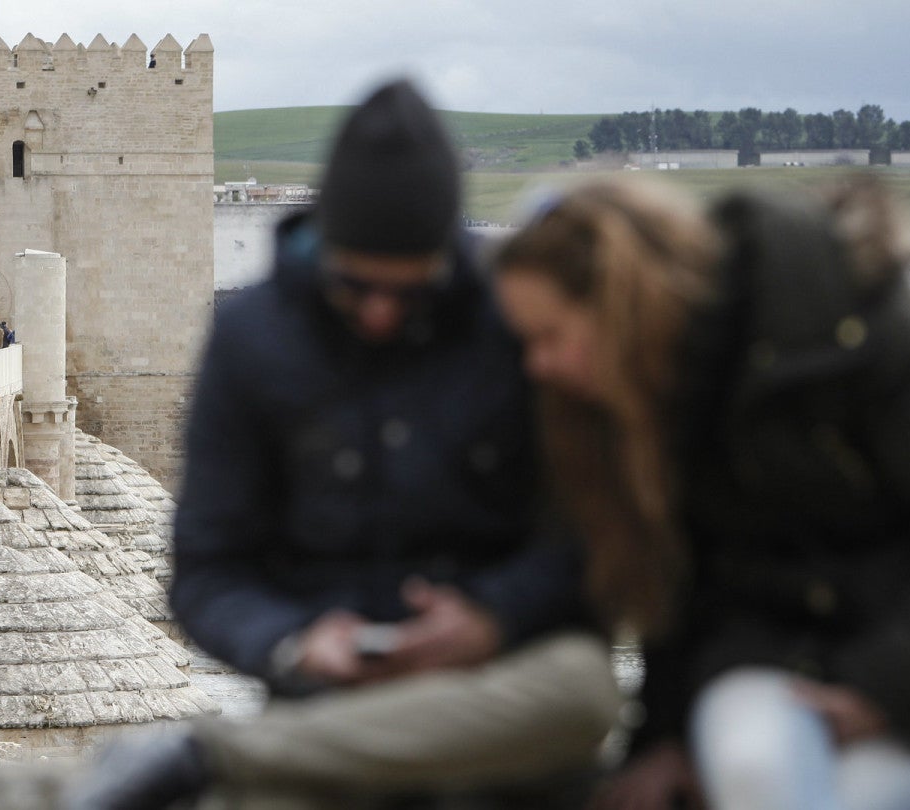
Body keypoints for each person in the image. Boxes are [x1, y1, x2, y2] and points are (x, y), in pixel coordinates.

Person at [68, 81, 617, 810]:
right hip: (328, 700)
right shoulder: (251, 341)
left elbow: (596, 537)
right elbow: (206, 571)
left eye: (410, 293)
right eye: (358, 289)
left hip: (490, 698)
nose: (384, 314)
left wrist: (491, 615)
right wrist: (296, 643)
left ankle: (212, 756)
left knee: (579, 685)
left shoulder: (514, 326)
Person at [490, 176, 910, 808]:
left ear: (620, 306)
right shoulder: (645, 397)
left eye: (549, 337)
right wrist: (663, 739)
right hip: (762, 669)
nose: (537, 366)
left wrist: (883, 688)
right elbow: (681, 589)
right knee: (759, 770)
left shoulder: (847, 316)